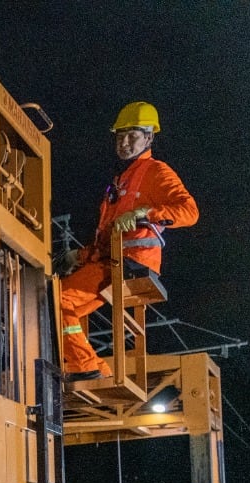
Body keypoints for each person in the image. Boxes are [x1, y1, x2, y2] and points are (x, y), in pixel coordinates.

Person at [59, 102, 200, 382]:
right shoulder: (121, 180)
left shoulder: (156, 171)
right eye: (119, 136)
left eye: (132, 136)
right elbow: (110, 237)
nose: (124, 142)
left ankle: (86, 366)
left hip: (130, 262)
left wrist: (145, 212)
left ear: (149, 138)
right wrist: (81, 255)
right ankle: (97, 368)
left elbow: (189, 212)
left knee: (58, 298)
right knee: (61, 306)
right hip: (110, 261)